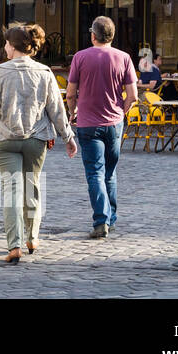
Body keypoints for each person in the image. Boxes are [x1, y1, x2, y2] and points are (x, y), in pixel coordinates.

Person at [0, 23, 77, 263]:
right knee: (32, 187)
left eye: (6, 44)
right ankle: (32, 237)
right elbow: (56, 109)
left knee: (11, 191)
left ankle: (14, 245)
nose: (4, 47)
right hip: (36, 137)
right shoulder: (44, 73)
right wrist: (68, 137)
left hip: (4, 138)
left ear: (11, 46)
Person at [66, 15, 137, 240]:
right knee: (110, 172)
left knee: (95, 172)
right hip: (113, 122)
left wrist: (72, 110)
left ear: (93, 35)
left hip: (88, 122)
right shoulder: (124, 57)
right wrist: (121, 112)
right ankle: (111, 218)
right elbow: (133, 95)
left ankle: (101, 220)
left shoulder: (80, 57)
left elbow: (70, 92)